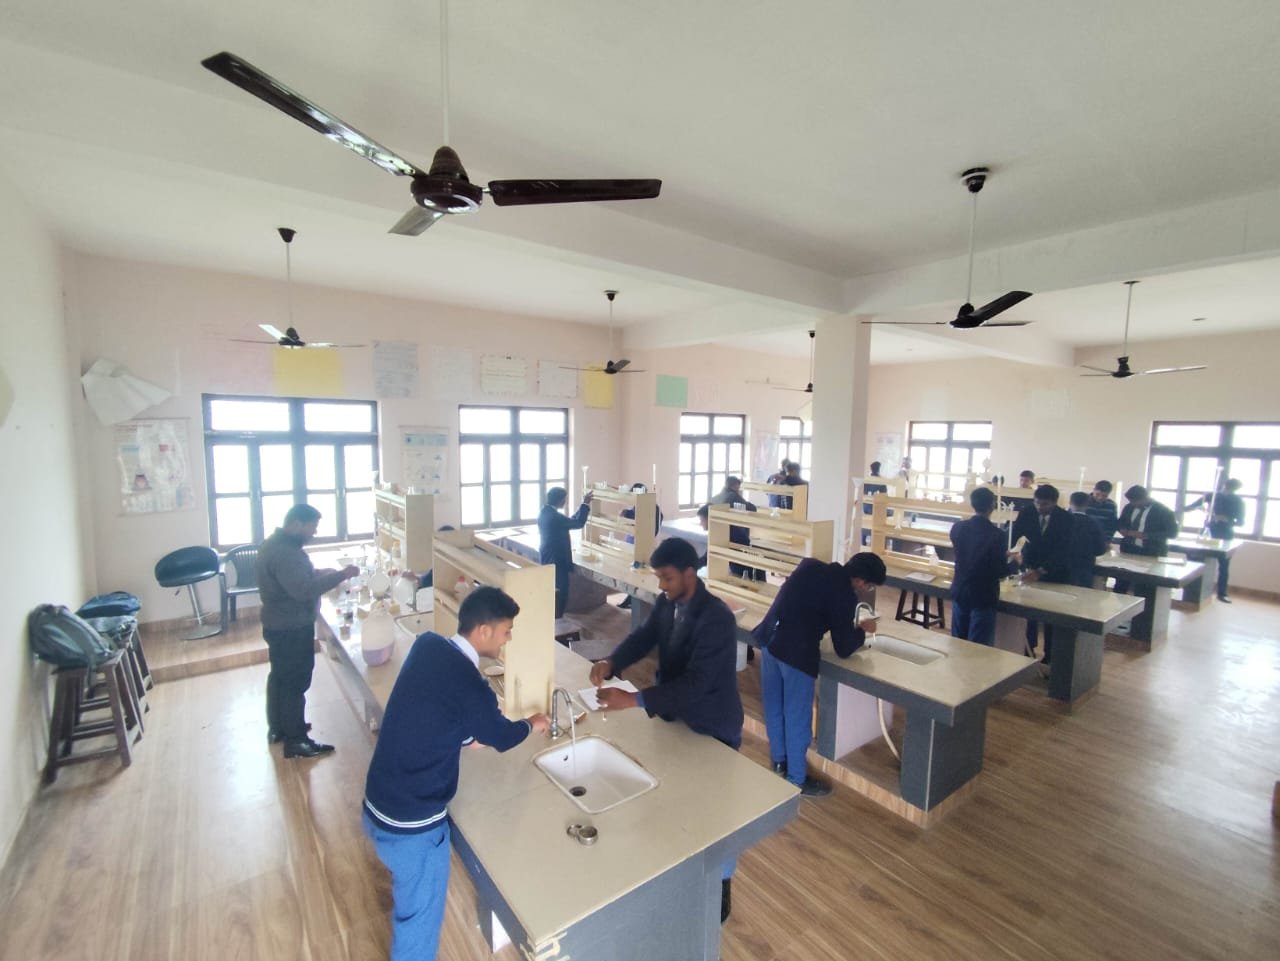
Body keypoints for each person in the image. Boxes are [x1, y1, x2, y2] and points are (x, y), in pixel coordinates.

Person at [363, 587, 550, 961]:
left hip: (377, 803)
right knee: (418, 919)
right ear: (483, 631)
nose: (508, 639)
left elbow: (433, 706)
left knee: (409, 899)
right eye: (506, 631)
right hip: (411, 827)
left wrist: (467, 734)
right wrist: (533, 723)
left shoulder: (428, 646)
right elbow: (501, 736)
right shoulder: (471, 685)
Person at [589, 537, 743, 922]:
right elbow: (644, 637)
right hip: (677, 719)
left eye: (667, 578)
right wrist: (612, 661)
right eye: (658, 578)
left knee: (716, 811)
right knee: (680, 801)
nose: (661, 585)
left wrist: (635, 700)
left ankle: (722, 882)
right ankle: (685, 869)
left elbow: (698, 683)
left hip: (711, 724)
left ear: (690, 574)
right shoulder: (667, 603)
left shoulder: (716, 618)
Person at [752, 552, 887, 796]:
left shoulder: (810, 565)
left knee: (775, 708)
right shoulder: (844, 594)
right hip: (796, 654)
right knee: (796, 717)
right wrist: (862, 628)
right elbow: (843, 647)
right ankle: (796, 779)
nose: (866, 589)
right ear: (860, 580)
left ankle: (779, 762)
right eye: (869, 586)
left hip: (770, 640)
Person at [257, 503, 360, 758]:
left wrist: (327, 573)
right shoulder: (286, 553)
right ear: (297, 524)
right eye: (312, 527)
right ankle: (296, 741)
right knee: (295, 682)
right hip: (291, 626)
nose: (314, 532)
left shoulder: (275, 545)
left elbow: (301, 577)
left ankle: (279, 729)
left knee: (280, 677)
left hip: (277, 624)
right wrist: (341, 575)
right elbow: (303, 590)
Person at [1011, 485, 1072, 663]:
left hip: (1055, 572)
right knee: (1028, 612)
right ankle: (1027, 650)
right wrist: (1014, 553)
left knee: (1051, 615)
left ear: (1054, 502)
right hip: (1029, 566)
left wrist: (1041, 571)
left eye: (1044, 504)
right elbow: (1015, 535)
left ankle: (1050, 655)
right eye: (1037, 502)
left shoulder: (1066, 519)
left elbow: (1064, 551)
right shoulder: (1027, 512)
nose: (1039, 507)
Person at [949, 487, 1009, 646]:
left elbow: (967, 554)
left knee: (957, 643)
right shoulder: (998, 535)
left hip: (961, 590)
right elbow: (999, 571)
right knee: (978, 648)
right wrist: (1014, 562)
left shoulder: (958, 528)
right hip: (984, 595)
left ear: (973, 504)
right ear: (992, 506)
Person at [1184, 478, 1246, 602]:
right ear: (1224, 485)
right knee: (1198, 560)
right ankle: (1192, 590)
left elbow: (1241, 522)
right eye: (1227, 488)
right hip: (1209, 532)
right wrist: (1201, 508)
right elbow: (1188, 508)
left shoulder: (1238, 501)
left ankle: (1222, 593)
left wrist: (1227, 519)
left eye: (1231, 489)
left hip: (1225, 534)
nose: (1228, 490)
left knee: (1224, 564)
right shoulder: (1211, 496)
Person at [538, 486, 593, 618]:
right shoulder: (555, 517)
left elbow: (570, 521)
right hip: (557, 558)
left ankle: (552, 616)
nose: (565, 502)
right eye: (564, 499)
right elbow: (578, 523)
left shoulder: (545, 512)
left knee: (552, 588)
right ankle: (558, 618)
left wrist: (582, 506)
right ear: (560, 500)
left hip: (547, 554)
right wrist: (585, 504)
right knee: (561, 590)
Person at [1116, 485, 1179, 558]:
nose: (1133, 504)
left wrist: (1147, 535)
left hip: (1153, 551)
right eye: (1131, 501)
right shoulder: (1129, 507)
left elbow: (1173, 533)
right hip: (1128, 549)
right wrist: (1122, 529)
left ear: (1145, 498)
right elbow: (1121, 522)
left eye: (1135, 501)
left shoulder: (1164, 511)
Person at [1066, 491, 1109, 588]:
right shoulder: (1094, 523)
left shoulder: (1061, 520)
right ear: (1087, 505)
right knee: (1082, 593)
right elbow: (1100, 549)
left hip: (1063, 565)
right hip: (1085, 566)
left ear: (1070, 502)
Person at [862, 462, 888, 545]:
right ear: (879, 469)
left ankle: (863, 542)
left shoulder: (867, 479)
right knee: (878, 525)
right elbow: (884, 496)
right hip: (875, 507)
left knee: (865, 523)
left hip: (865, 506)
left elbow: (863, 492)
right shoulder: (881, 481)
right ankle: (877, 543)